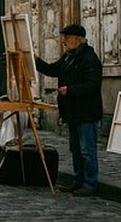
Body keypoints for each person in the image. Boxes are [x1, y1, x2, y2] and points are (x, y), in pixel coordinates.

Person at [34, 24, 103, 197]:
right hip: (72, 112)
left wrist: (69, 90)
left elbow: (93, 85)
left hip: (86, 112)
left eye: (66, 38)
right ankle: (78, 181)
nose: (63, 41)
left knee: (87, 150)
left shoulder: (89, 58)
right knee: (76, 149)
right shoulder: (68, 57)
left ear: (77, 40)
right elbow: (52, 70)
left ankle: (90, 184)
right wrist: (34, 61)